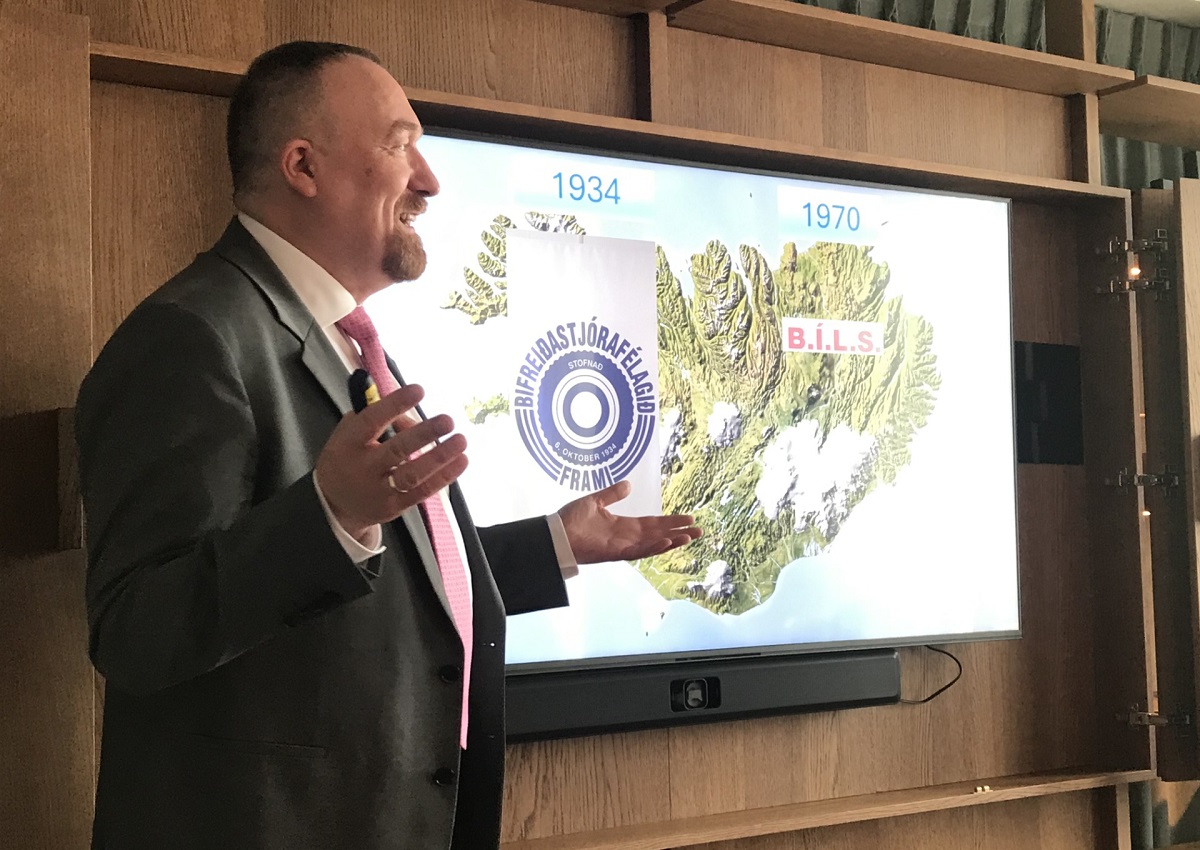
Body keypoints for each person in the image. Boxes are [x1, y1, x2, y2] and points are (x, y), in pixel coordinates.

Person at [75, 41, 700, 850]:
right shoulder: (191, 338)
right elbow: (135, 631)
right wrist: (328, 514)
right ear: (303, 166)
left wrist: (553, 544)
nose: (430, 181)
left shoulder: (347, 339)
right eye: (401, 145)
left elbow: (384, 592)